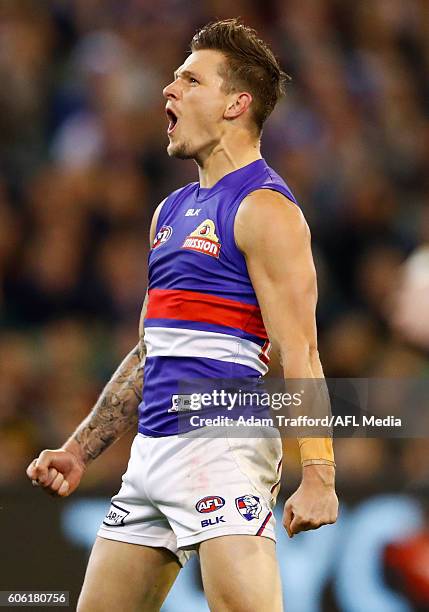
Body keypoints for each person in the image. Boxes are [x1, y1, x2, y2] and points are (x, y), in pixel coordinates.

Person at [26, 19, 338, 612]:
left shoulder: (265, 210)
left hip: (222, 446)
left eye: (191, 80)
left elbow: (302, 353)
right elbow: (152, 349)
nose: (169, 90)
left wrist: (319, 474)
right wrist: (80, 448)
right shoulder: (170, 211)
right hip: (152, 453)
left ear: (235, 104)